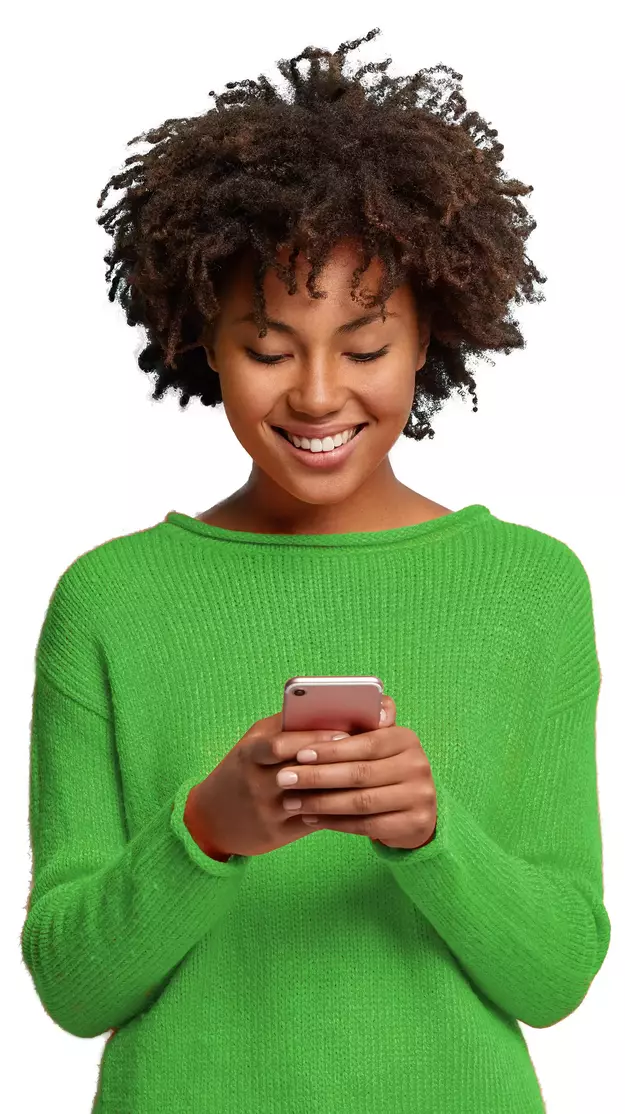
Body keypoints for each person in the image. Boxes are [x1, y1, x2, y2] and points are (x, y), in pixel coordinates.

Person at [21, 26, 610, 1114]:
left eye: (367, 345)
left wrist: (432, 837)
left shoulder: (529, 588)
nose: (318, 394)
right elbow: (70, 985)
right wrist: (205, 831)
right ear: (203, 337)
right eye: (270, 346)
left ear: (432, 330)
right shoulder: (109, 601)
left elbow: (557, 971)